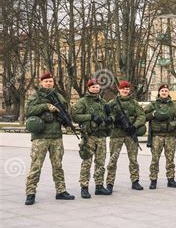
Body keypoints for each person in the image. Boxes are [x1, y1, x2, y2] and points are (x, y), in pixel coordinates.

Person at [24, 71, 75, 205]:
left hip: (56, 137)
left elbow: (64, 113)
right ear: (41, 82)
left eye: (50, 81)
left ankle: (61, 191)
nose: (48, 83)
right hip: (40, 137)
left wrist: (68, 124)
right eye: (46, 81)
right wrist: (45, 106)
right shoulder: (36, 96)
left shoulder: (59, 97)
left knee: (58, 165)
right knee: (36, 165)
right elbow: (28, 111)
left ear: (53, 82)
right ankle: (30, 193)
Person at [72, 79, 113, 198]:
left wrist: (111, 118)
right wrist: (90, 116)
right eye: (93, 87)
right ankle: (84, 187)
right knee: (87, 162)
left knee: (100, 162)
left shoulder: (103, 102)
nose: (95, 89)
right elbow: (74, 116)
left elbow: (110, 114)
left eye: (97, 87)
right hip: (89, 136)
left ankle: (99, 186)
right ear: (88, 88)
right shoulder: (82, 102)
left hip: (101, 136)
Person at [105, 80, 146, 193]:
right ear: (119, 89)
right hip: (116, 135)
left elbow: (141, 116)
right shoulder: (112, 103)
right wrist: (114, 120)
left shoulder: (134, 103)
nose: (125, 91)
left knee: (133, 159)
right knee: (113, 160)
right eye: (123, 88)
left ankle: (135, 181)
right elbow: (106, 116)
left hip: (130, 134)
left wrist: (134, 126)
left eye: (127, 89)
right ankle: (109, 183)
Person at [144, 84, 176, 189]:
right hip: (157, 136)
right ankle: (153, 180)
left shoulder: (173, 105)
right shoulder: (153, 105)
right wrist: (152, 114)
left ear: (168, 93)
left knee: (170, 159)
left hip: (170, 136)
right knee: (155, 159)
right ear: (159, 92)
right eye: (162, 91)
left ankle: (171, 180)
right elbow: (143, 115)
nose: (164, 92)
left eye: (166, 91)